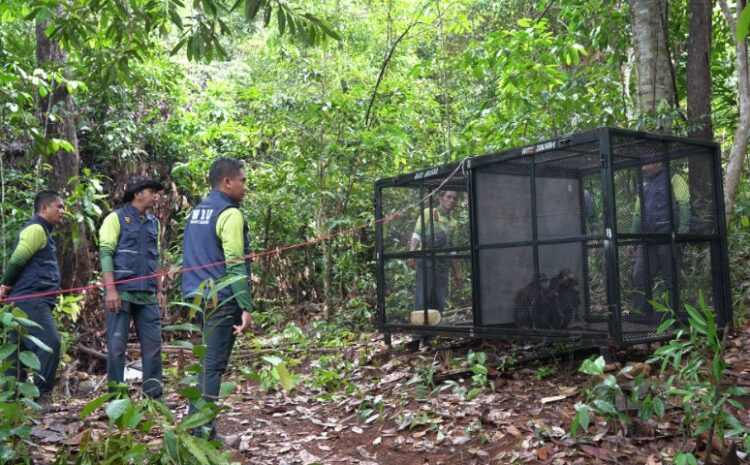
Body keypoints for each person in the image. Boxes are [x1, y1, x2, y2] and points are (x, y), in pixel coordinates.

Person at [182, 157, 253, 439]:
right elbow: (235, 263)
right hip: (221, 299)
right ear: (227, 182)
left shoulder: (198, 211)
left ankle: (201, 431)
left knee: (208, 364)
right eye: (242, 180)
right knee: (212, 367)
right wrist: (245, 306)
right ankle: (199, 433)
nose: (245, 186)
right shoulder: (230, 214)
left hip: (197, 296)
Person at [99, 176, 165, 398]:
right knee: (117, 347)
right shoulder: (114, 219)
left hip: (147, 294)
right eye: (152, 191)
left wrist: (160, 290)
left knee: (154, 345)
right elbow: (106, 253)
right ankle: (116, 398)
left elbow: (154, 259)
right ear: (138, 194)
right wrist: (110, 289)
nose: (155, 196)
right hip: (121, 293)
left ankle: (154, 397)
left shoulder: (153, 223)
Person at [0, 191, 65, 407]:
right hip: (30, 300)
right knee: (50, 342)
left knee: (18, 350)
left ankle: (10, 399)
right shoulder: (36, 229)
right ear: (44, 209)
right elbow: (17, 260)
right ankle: (43, 396)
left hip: (26, 300)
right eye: (59, 206)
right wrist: (5, 284)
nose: (63, 211)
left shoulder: (44, 232)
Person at [406, 190, 463, 350]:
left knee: (438, 300)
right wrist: (412, 253)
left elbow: (452, 251)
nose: (452, 200)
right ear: (440, 198)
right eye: (449, 197)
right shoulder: (427, 213)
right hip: (427, 264)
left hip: (442, 267)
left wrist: (458, 274)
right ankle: (417, 338)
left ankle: (429, 339)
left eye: (455, 198)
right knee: (422, 299)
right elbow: (417, 235)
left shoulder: (453, 223)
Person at [631, 162, 690, 315]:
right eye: (642, 165)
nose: (643, 168)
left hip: (667, 239)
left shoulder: (674, 178)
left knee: (671, 280)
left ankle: (672, 316)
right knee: (640, 278)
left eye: (647, 165)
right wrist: (633, 240)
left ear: (660, 163)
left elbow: (684, 204)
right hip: (647, 240)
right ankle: (640, 316)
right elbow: (637, 213)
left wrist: (682, 233)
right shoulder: (643, 184)